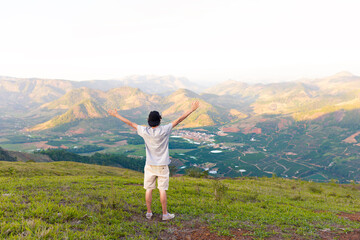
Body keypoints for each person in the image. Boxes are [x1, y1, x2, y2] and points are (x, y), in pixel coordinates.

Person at [108, 100, 200, 220]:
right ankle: (165, 214)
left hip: (150, 165)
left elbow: (130, 123)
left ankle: (149, 213)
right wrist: (191, 110)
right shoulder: (165, 130)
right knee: (162, 190)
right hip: (162, 165)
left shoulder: (144, 131)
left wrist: (116, 115)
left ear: (149, 121)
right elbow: (179, 120)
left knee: (149, 189)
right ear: (160, 120)